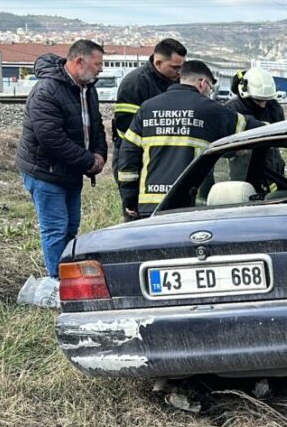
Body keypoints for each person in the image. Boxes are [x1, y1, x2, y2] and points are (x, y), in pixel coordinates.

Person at [14, 40, 107, 281]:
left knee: (70, 226)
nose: (101, 69)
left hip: (71, 170)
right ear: (79, 62)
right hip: (46, 171)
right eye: (98, 64)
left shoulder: (87, 88)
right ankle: (59, 282)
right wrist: (89, 161)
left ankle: (67, 276)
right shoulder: (47, 90)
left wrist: (100, 154)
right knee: (55, 228)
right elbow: (51, 139)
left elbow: (95, 125)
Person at [116, 60, 249, 219]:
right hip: (188, 206)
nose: (209, 93)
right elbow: (250, 127)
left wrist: (129, 198)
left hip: (151, 206)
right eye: (210, 89)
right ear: (203, 83)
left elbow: (128, 156)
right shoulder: (209, 109)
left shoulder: (147, 108)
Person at [112, 39, 187, 217]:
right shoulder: (136, 83)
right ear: (158, 62)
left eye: (182, 67)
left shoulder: (173, 82)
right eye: (175, 67)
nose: (179, 72)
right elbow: (125, 129)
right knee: (137, 215)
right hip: (134, 157)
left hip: (160, 157)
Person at [225, 67, 286, 177]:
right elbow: (220, 146)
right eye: (258, 100)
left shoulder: (274, 108)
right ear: (245, 93)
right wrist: (235, 151)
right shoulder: (231, 110)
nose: (263, 105)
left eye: (266, 100)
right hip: (243, 171)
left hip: (273, 169)